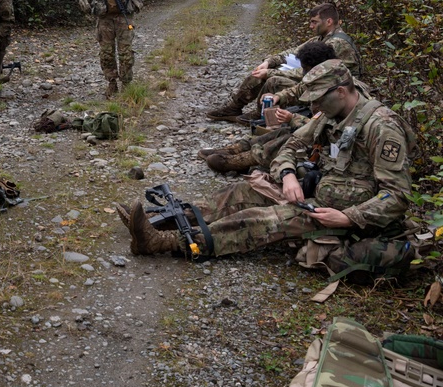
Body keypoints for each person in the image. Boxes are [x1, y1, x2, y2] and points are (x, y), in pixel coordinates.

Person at [121, 61, 415, 260]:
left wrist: (350, 217)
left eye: (318, 99)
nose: (312, 106)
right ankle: (164, 221)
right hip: (318, 192)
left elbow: (397, 196)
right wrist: (287, 174)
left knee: (261, 220)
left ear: (341, 91)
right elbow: (293, 143)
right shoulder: (331, 114)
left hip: (347, 214)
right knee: (242, 193)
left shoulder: (381, 127)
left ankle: (164, 242)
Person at [206, 2, 362, 123]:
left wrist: (270, 72)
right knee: (264, 70)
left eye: (314, 22)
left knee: (273, 80)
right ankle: (234, 107)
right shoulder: (321, 38)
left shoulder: (337, 44)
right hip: (317, 81)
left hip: (333, 89)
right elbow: (293, 52)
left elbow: (314, 74)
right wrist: (269, 62)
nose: (311, 26)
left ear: (328, 21)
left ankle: (261, 114)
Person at [199, 41, 338, 174]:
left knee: (289, 137)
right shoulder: (325, 78)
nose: (303, 74)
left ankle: (243, 160)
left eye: (305, 70)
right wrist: (278, 96)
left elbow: (327, 131)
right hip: (317, 135)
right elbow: (299, 89)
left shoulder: (338, 94)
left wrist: (292, 118)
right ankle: (237, 149)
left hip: (330, 149)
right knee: (282, 132)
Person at [76, 0, 144, 98]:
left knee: (125, 53)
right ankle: (111, 83)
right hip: (104, 17)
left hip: (123, 15)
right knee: (106, 52)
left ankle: (127, 84)